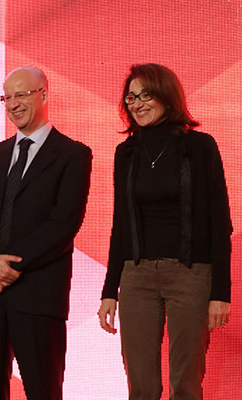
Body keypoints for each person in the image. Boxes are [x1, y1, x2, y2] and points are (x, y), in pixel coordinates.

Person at [97, 63, 232, 400]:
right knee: (141, 386)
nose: (137, 103)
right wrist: (109, 290)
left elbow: (220, 221)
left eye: (146, 95)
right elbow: (121, 225)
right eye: (131, 97)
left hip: (191, 275)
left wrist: (221, 293)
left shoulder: (200, 146)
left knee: (185, 384)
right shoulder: (125, 152)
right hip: (137, 276)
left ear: (166, 96)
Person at [0, 66, 92, 400]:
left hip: (37, 294)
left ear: (44, 94)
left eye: (22, 94)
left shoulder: (72, 155)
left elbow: (63, 224)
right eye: (8, 97)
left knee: (42, 389)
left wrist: (8, 268)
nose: (13, 104)